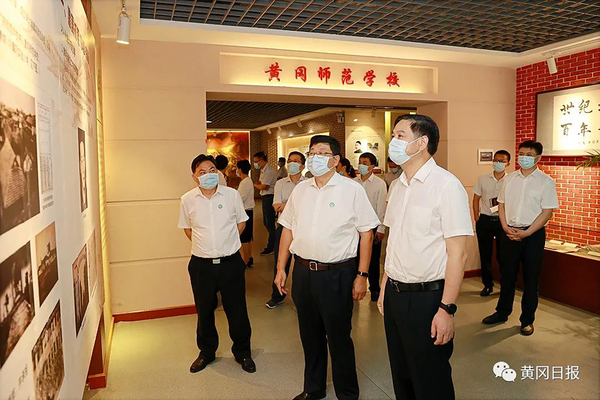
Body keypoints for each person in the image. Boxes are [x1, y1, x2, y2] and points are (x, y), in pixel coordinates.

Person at [275, 135, 380, 400]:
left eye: (321, 153)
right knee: (309, 335)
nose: (314, 157)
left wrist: (362, 275)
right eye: (311, 152)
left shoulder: (352, 189)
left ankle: (347, 393)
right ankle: (314, 388)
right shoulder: (301, 190)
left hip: (337, 274)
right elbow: (287, 229)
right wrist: (281, 268)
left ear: (335, 160)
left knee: (339, 337)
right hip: (303, 272)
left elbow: (366, 233)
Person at [380, 114, 473, 400]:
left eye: (400, 136)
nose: (393, 142)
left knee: (430, 377)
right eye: (393, 136)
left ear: (422, 143)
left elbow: (458, 254)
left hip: (427, 298)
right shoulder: (397, 186)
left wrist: (446, 309)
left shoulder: (447, 185)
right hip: (395, 293)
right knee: (401, 372)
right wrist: (384, 287)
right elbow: (394, 241)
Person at [178, 154, 256, 374]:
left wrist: (225, 243)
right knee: (204, 310)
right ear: (194, 177)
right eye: (202, 172)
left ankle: (243, 352)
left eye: (212, 170)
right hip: (201, 265)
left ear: (218, 172)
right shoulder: (187, 199)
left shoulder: (231, 195)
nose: (208, 175)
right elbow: (188, 229)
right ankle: (206, 352)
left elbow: (241, 223)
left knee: (237, 310)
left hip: (231, 263)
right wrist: (207, 246)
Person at [482, 140, 558, 336]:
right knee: (507, 276)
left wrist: (527, 232)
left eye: (529, 155)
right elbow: (501, 205)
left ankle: (527, 320)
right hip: (509, 232)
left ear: (538, 158)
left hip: (533, 236)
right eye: (521, 154)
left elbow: (547, 212)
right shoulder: (509, 179)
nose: (524, 158)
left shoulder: (546, 181)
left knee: (531, 279)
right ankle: (502, 312)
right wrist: (505, 227)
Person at [266, 151, 306, 309]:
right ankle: (277, 295)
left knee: (302, 263)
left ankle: (301, 297)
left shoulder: (308, 183)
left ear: (302, 165)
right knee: (281, 261)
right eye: (290, 161)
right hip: (284, 226)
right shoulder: (281, 183)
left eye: (295, 161)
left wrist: (287, 205)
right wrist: (296, 205)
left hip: (303, 227)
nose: (291, 164)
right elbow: (276, 206)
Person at [473, 150, 511, 297]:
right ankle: (487, 285)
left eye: (502, 161)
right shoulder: (483, 178)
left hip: (503, 221)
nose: (498, 163)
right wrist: (476, 217)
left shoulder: (511, 180)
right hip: (485, 220)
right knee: (485, 254)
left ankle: (505, 285)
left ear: (508, 163)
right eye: (496, 160)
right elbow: (476, 198)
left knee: (503, 255)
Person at [355, 152, 387, 301]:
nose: (361, 165)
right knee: (355, 257)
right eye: (360, 162)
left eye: (365, 163)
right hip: (355, 226)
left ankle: (374, 288)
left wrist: (381, 228)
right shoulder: (354, 182)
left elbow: (381, 208)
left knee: (373, 259)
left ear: (372, 166)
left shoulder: (379, 184)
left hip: (373, 226)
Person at [253, 151, 278, 255]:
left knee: (269, 223)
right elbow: (260, 183)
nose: (255, 164)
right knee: (266, 222)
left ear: (262, 160)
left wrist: (255, 185)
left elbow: (264, 186)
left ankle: (272, 245)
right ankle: (273, 242)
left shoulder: (269, 171)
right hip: (265, 197)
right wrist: (258, 185)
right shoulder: (263, 170)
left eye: (256, 162)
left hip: (269, 197)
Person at [237, 160, 255, 268]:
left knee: (245, 238)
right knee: (247, 237)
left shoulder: (246, 182)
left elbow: (241, 197)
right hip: (246, 211)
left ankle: (246, 259)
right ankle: (248, 257)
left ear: (240, 169)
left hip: (246, 211)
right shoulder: (245, 181)